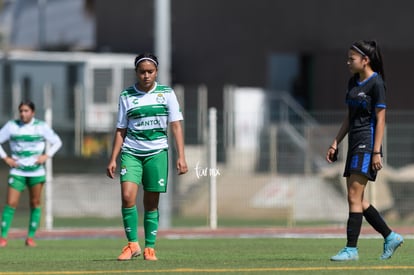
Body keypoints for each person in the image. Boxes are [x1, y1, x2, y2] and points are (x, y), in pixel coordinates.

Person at [106, 53, 188, 261]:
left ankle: (150, 247)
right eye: (142, 72)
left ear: (156, 72)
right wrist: (113, 157)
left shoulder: (167, 94)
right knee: (127, 197)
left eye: (150, 71)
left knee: (151, 203)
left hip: (157, 153)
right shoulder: (126, 96)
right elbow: (120, 129)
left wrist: (181, 156)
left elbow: (176, 126)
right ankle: (132, 244)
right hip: (131, 152)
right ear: (136, 72)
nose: (146, 75)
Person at [326, 40, 403, 261]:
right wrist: (335, 142)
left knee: (353, 196)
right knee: (357, 199)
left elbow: (380, 120)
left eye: (352, 58)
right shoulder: (353, 82)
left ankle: (351, 249)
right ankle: (390, 236)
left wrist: (376, 151)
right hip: (353, 144)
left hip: (367, 144)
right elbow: (349, 117)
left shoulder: (376, 83)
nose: (348, 62)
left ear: (365, 60)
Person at [0, 100, 62, 247]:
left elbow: (57, 142)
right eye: (21, 111)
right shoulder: (12, 126)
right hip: (17, 171)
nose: (23, 113)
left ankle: (30, 237)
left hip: (36, 172)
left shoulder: (41, 127)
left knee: (35, 203)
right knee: (11, 203)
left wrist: (46, 156)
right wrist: (6, 158)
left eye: (26, 111)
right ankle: (3, 238)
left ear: (32, 112)